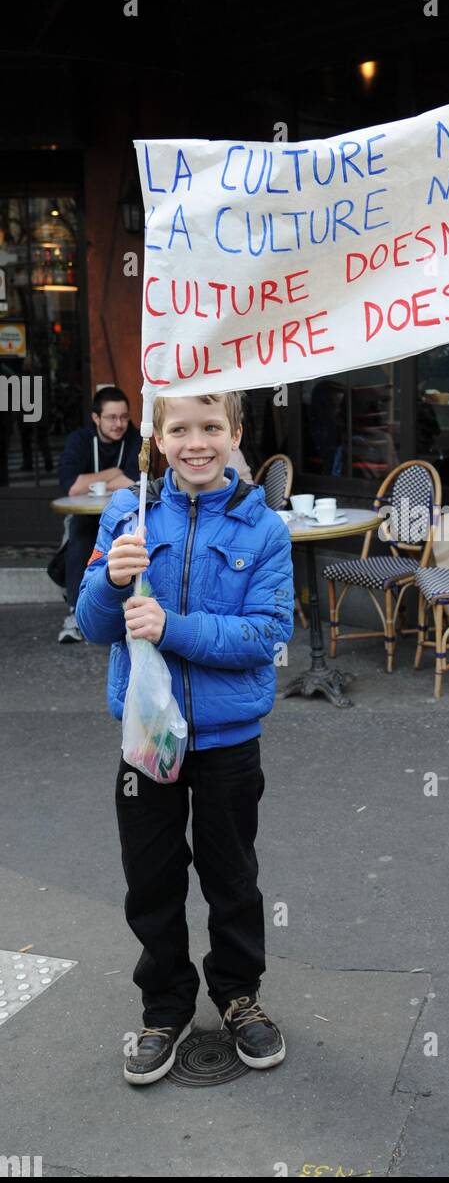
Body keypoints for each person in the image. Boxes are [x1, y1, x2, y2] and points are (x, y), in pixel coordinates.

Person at [76, 390, 294, 1086]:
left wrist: (173, 627)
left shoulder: (265, 530)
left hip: (228, 738)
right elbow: (94, 626)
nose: (195, 442)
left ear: (235, 434)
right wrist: (111, 581)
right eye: (179, 429)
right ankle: (163, 1009)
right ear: (156, 439)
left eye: (210, 427)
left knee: (232, 878)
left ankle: (238, 997)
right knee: (152, 879)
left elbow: (265, 635)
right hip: (146, 737)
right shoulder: (126, 512)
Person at [56, 387, 142, 644]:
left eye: (124, 417)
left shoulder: (136, 438)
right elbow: (72, 486)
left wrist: (93, 479)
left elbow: (133, 480)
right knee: (80, 540)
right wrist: (112, 472)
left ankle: (124, 612)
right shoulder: (80, 441)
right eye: (111, 418)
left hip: (124, 513)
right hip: (85, 514)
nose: (119, 424)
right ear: (96, 418)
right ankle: (75, 613)